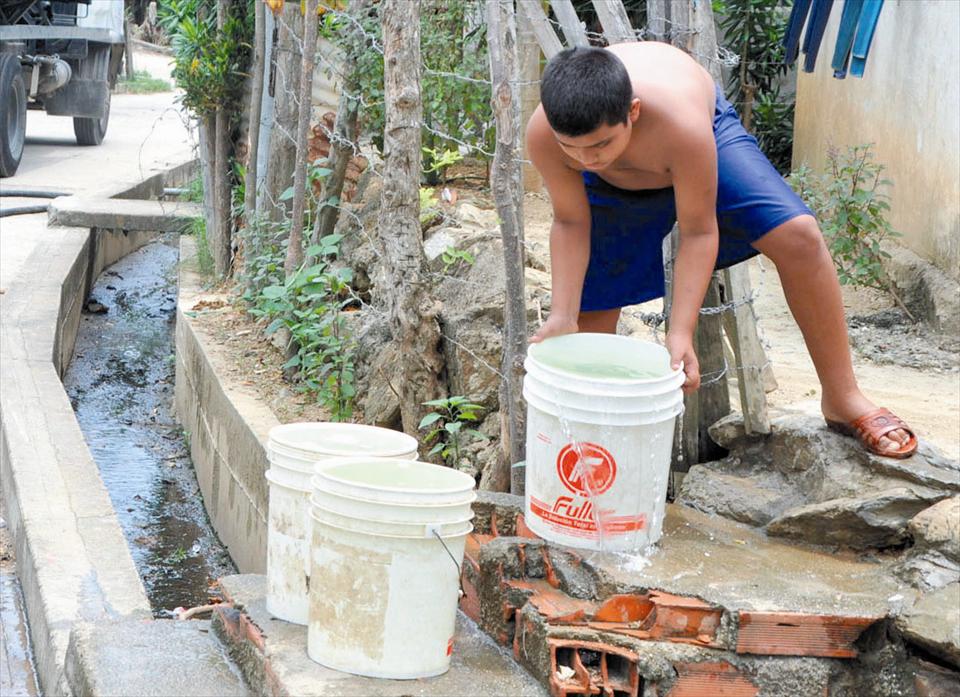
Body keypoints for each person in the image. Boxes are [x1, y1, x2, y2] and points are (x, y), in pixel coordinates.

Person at [525, 42, 917, 459]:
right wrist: (562, 315)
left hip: (698, 139)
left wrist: (680, 333)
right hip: (618, 186)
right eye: (573, 149)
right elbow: (570, 222)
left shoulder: (681, 127)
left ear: (633, 113)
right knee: (586, 320)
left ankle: (842, 396)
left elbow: (698, 231)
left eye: (600, 145)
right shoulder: (547, 136)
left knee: (799, 236)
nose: (587, 160)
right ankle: (590, 450)